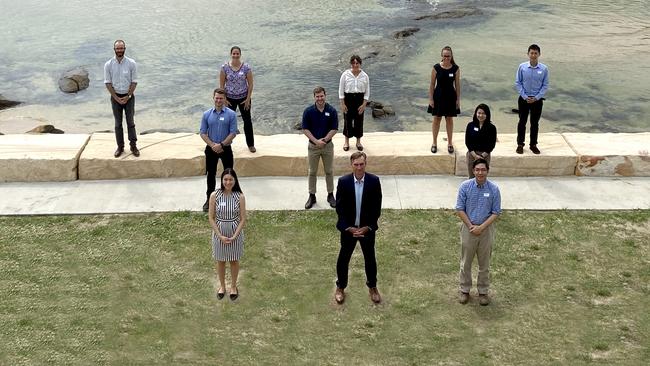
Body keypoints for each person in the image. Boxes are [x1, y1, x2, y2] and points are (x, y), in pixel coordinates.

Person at [334, 151, 383, 305]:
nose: (359, 168)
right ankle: (340, 287)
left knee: (370, 259)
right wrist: (347, 228)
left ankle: (373, 287)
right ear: (351, 165)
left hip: (366, 230)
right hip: (349, 230)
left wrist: (368, 227)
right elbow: (340, 208)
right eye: (356, 165)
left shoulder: (374, 181)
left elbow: (376, 208)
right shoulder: (344, 182)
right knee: (343, 258)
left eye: (362, 164)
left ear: (365, 164)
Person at [455, 158, 501, 306]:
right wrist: (470, 226)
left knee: (484, 264)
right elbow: (459, 209)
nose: (480, 172)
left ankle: (483, 291)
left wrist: (481, 227)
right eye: (477, 170)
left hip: (486, 231)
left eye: (483, 170)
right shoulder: (465, 187)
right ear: (473, 171)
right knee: (466, 262)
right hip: (468, 230)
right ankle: (464, 290)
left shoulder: (494, 189)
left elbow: (495, 212)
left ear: (487, 171)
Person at [208, 168, 246, 301]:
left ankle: (234, 286)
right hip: (219, 233)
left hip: (235, 233)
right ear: (222, 180)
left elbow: (243, 218)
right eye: (225, 179)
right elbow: (211, 218)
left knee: (234, 260)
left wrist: (235, 235)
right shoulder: (215, 195)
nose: (228, 182)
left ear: (235, 180)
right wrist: (219, 235)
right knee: (221, 261)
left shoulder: (239, 196)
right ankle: (222, 286)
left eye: (230, 179)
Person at [200, 88, 237, 212]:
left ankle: (229, 198)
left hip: (225, 148)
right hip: (211, 149)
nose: (219, 100)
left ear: (225, 99)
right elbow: (203, 133)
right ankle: (209, 200)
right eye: (217, 98)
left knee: (228, 175)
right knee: (211, 174)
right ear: (213, 98)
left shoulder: (231, 114)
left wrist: (221, 145)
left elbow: (233, 133)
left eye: (221, 98)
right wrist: (212, 145)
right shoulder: (206, 114)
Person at [302, 86, 338, 210]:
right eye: (317, 96)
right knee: (312, 172)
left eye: (321, 96)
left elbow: (334, 129)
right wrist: (316, 141)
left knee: (329, 171)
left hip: (327, 146)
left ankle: (330, 195)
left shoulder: (331, 111)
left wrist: (325, 140)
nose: (320, 98)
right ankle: (312, 196)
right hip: (313, 147)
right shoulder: (308, 111)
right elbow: (305, 129)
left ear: (325, 95)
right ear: (314, 97)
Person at [104, 39, 140, 158]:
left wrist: (128, 96)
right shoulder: (108, 64)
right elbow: (108, 83)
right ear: (114, 49)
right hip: (115, 97)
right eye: (117, 48)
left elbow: (134, 82)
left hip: (129, 96)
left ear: (125, 49)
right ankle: (120, 147)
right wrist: (116, 97)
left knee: (130, 122)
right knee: (118, 124)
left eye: (121, 48)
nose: (120, 50)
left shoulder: (131, 63)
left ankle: (133, 146)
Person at [220, 46, 256, 153]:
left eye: (237, 53)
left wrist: (248, 98)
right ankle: (225, 144)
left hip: (243, 98)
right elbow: (222, 85)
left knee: (247, 121)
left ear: (240, 54)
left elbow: (250, 84)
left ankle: (250, 144)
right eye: (234, 53)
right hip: (229, 99)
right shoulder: (224, 67)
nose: (235, 55)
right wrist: (224, 99)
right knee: (226, 121)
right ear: (230, 54)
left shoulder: (246, 67)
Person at [515, 44, 549, 155]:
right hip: (524, 99)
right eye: (531, 53)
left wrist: (536, 97)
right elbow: (518, 83)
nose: (533, 55)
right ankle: (520, 144)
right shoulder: (522, 67)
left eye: (535, 53)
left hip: (537, 101)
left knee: (534, 123)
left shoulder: (544, 69)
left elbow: (545, 85)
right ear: (528, 54)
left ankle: (533, 145)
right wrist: (525, 96)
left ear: (539, 54)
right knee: (522, 122)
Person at [428, 46, 461, 154]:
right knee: (436, 119)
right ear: (442, 56)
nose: (446, 58)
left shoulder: (455, 69)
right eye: (445, 56)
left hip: (451, 97)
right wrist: (431, 99)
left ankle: (450, 143)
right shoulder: (436, 68)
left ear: (451, 56)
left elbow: (457, 85)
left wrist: (458, 100)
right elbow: (432, 84)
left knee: (449, 120)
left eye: (448, 56)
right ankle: (434, 143)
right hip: (438, 96)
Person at [338, 55, 369, 152]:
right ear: (351, 64)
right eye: (353, 63)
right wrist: (342, 104)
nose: (355, 65)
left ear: (360, 64)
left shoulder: (365, 76)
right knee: (347, 121)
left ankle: (358, 142)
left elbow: (367, 92)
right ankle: (346, 142)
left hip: (359, 100)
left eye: (357, 63)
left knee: (359, 121)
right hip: (348, 99)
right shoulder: (345, 75)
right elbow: (341, 90)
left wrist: (364, 104)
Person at [464, 104, 497, 178]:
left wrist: (482, 156)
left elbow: (492, 144)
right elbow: (467, 141)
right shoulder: (470, 125)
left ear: (487, 114)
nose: (481, 115)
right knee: (471, 177)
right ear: (476, 113)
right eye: (479, 113)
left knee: (482, 177)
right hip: (472, 154)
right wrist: (475, 155)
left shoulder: (492, 128)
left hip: (485, 155)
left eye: (483, 113)